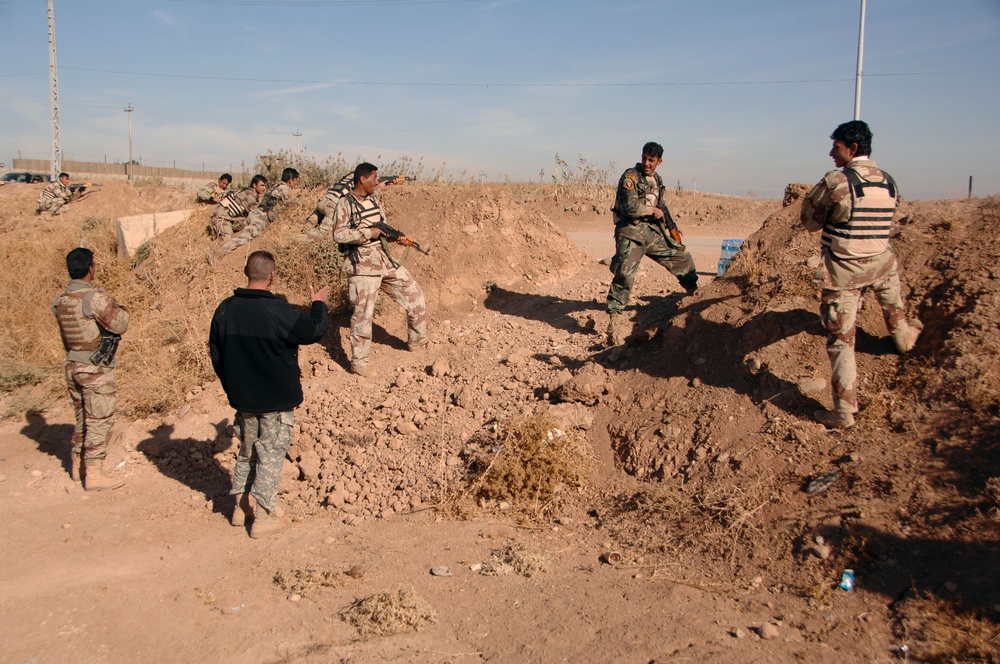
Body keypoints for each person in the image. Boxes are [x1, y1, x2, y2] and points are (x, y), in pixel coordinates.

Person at [800, 120, 922, 429]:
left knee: (841, 340)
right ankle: (904, 339)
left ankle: (843, 411)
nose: (831, 152)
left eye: (836, 147)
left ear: (853, 148)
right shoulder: (888, 180)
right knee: (893, 305)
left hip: (844, 271)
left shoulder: (837, 181)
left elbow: (809, 221)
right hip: (882, 264)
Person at [209, 250, 329, 538]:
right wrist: (318, 304)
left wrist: (233, 387)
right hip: (275, 402)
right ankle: (262, 518)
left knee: (247, 453)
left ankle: (239, 509)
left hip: (244, 401)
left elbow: (216, 355)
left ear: (245, 271)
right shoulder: (277, 311)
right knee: (271, 455)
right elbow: (313, 331)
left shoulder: (225, 310)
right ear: (272, 276)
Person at [332, 162, 427, 378]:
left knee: (414, 294)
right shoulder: (345, 203)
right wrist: (367, 234)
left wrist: (395, 237)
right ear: (362, 179)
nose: (378, 181)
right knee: (363, 316)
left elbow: (382, 226)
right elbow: (339, 235)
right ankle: (360, 363)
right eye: (374, 177)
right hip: (362, 265)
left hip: (384, 260)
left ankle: (417, 340)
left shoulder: (373, 200)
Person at [604, 142, 698, 346]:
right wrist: (651, 211)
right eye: (645, 158)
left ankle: (694, 295)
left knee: (681, 256)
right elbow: (629, 207)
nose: (646, 163)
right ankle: (614, 317)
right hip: (630, 231)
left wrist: (672, 226)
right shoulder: (630, 177)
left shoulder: (657, 179)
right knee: (625, 274)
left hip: (651, 231)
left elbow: (660, 205)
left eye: (651, 160)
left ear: (659, 162)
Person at [52, 247, 130, 490]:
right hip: (94, 368)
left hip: (72, 364)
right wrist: (113, 302)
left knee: (81, 417)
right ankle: (94, 474)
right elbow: (120, 324)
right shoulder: (93, 298)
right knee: (99, 419)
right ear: (90, 269)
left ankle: (78, 466)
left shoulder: (61, 300)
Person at [220, 168, 299, 253]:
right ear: (291, 181)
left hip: (255, 213)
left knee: (241, 228)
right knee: (246, 236)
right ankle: (223, 249)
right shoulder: (285, 189)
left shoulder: (275, 186)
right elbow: (291, 204)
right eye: (295, 181)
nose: (295, 183)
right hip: (261, 217)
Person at [210, 174, 267, 239]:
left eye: (265, 186)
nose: (264, 188)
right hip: (221, 218)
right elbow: (256, 212)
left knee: (246, 222)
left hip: (229, 217)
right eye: (262, 185)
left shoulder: (252, 193)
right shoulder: (248, 194)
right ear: (254, 185)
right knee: (227, 240)